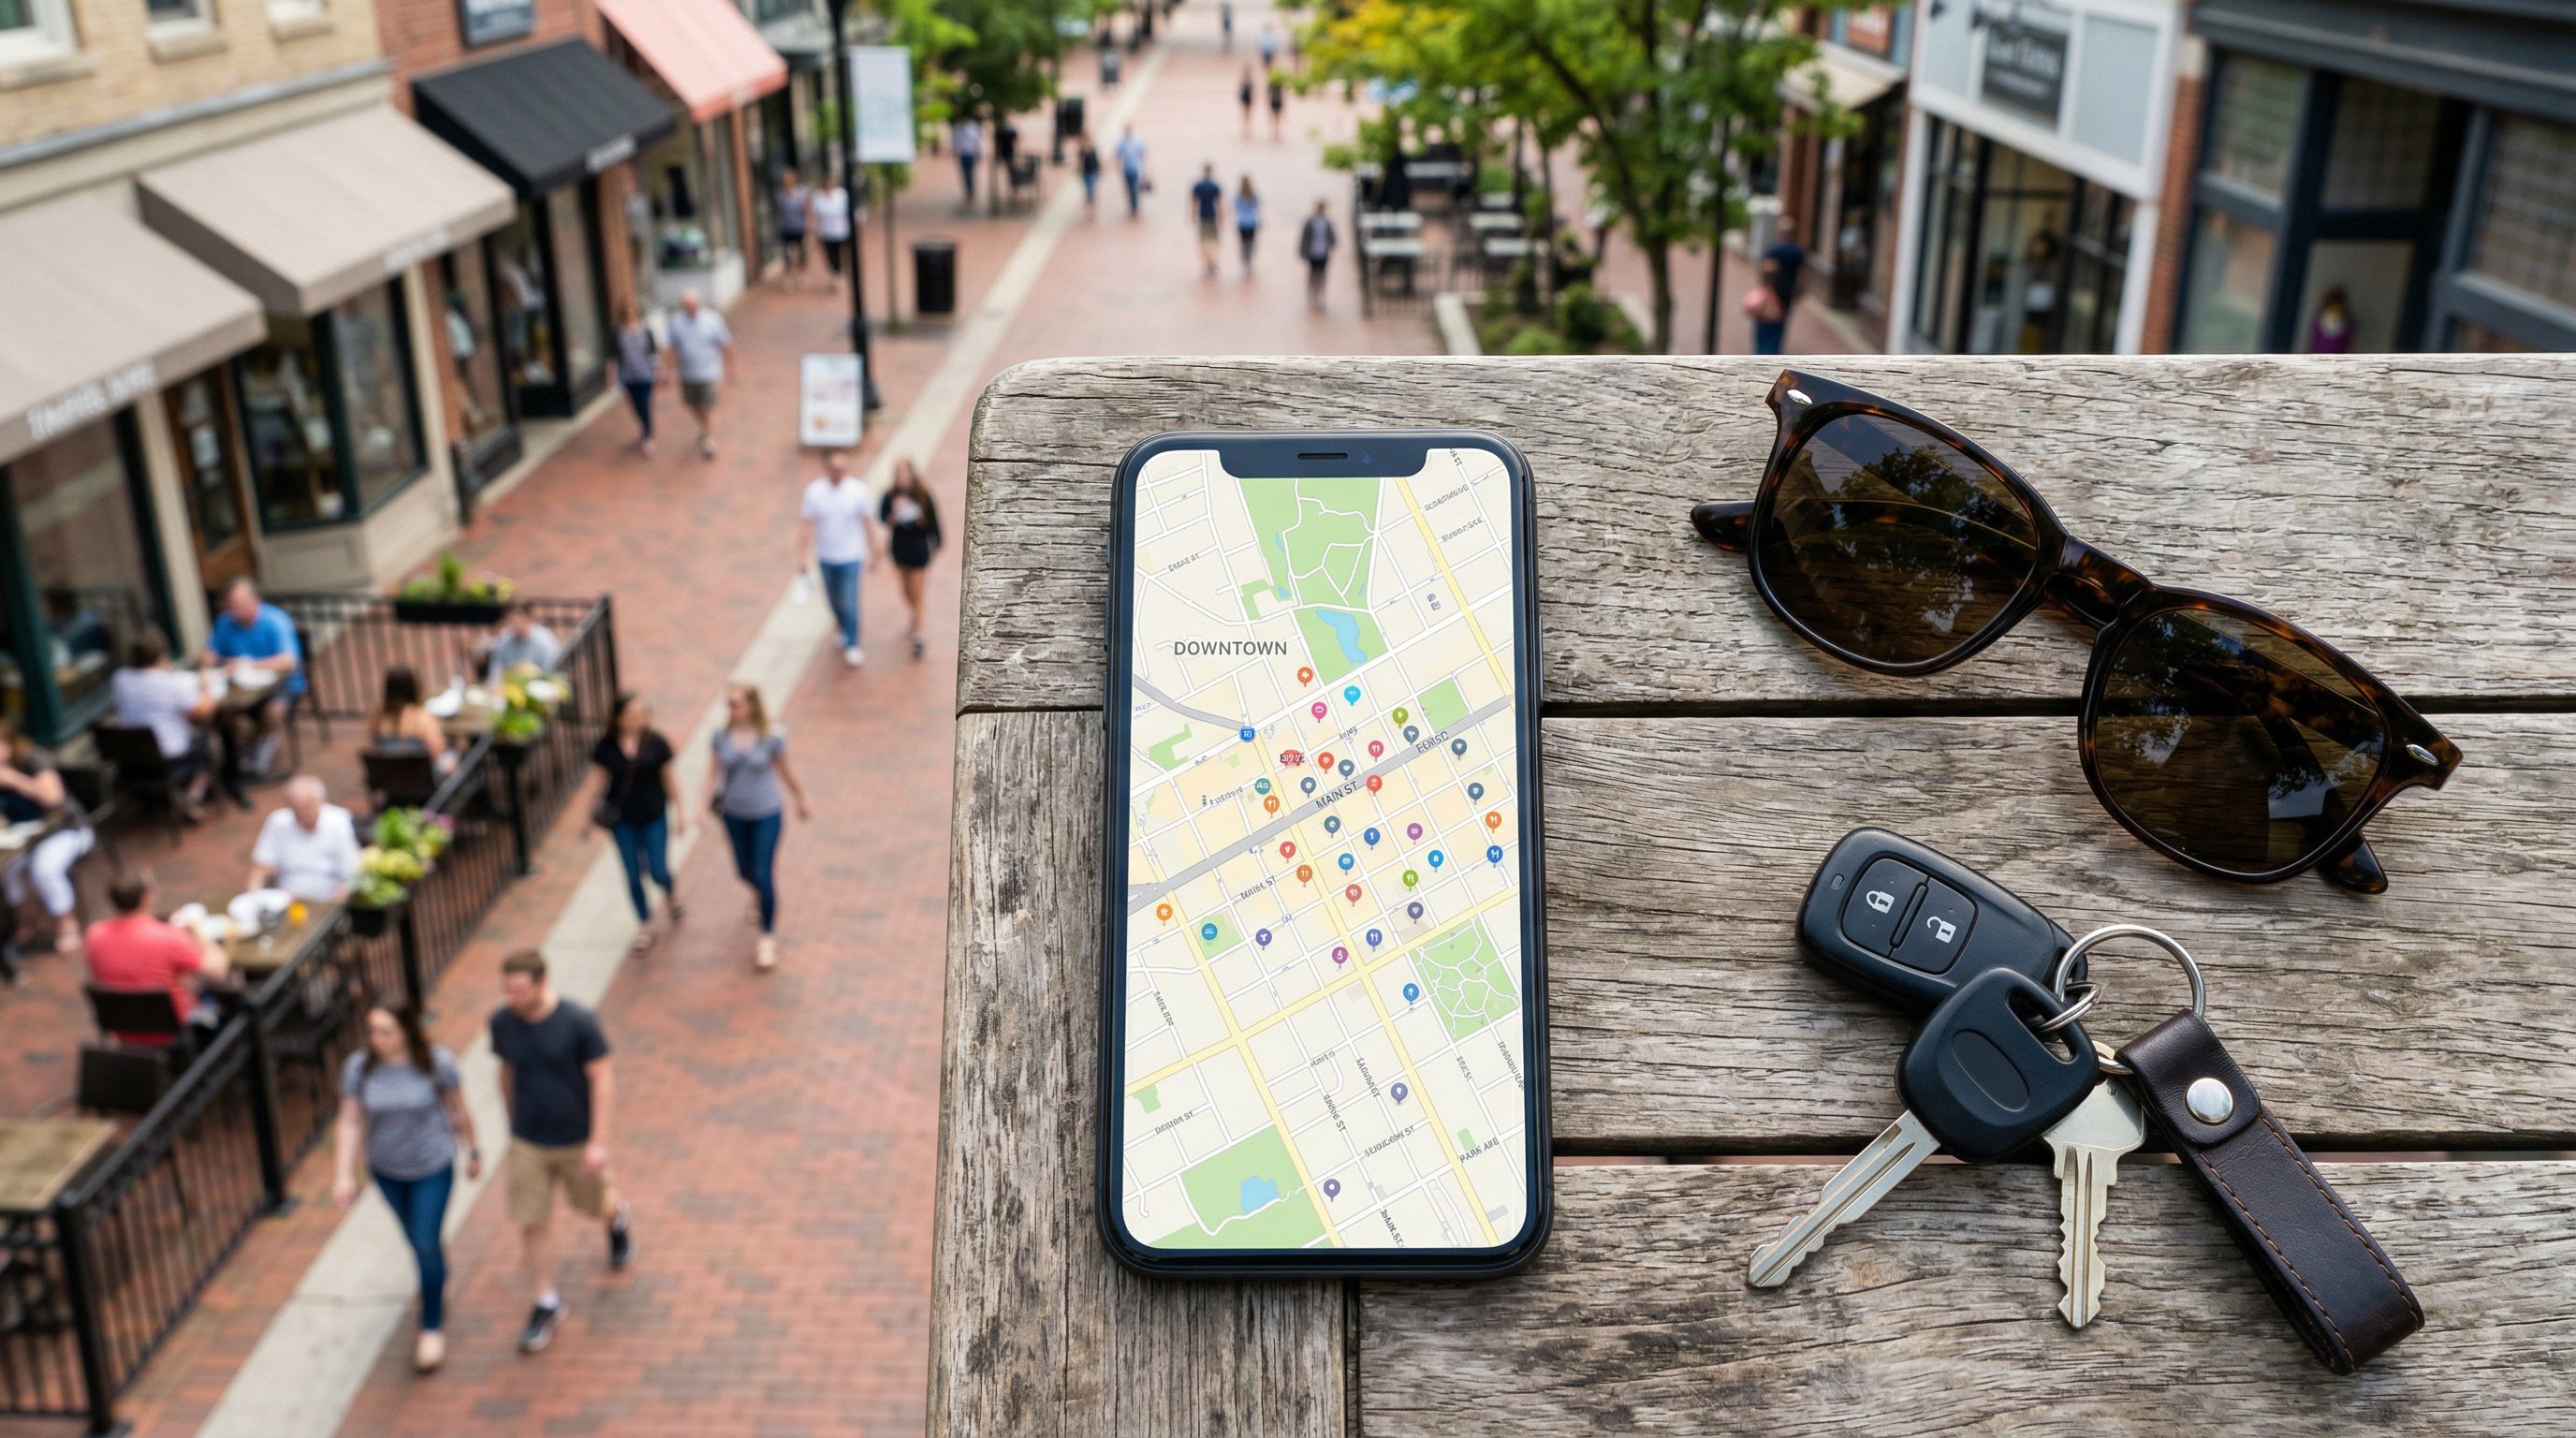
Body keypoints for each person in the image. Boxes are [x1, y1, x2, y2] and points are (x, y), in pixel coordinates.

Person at [490, 950, 631, 1357]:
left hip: (575, 1140)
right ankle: (546, 1300)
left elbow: (602, 1079)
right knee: (532, 1220)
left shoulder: (578, 1023)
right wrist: (510, 1122)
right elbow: (506, 1071)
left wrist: (599, 1141)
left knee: (594, 1206)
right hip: (528, 1140)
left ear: (541, 982)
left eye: (519, 989)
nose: (512, 997)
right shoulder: (503, 1023)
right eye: (507, 990)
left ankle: (617, 1216)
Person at [333, 1001, 476, 1373]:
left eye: (386, 1031)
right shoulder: (359, 1068)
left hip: (432, 1165)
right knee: (418, 1238)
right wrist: (343, 1174)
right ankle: (437, 1275)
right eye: (373, 1030)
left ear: (407, 1031)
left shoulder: (436, 1062)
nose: (377, 1039)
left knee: (426, 1244)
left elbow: (457, 1108)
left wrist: (472, 1149)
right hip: (386, 1170)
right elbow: (350, 1120)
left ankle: (430, 1327)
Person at [710, 685, 809, 972]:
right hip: (734, 814)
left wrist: (801, 799)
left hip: (767, 813)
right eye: (728, 704)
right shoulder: (721, 736)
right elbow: (712, 773)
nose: (732, 709)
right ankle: (759, 894)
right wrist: (701, 810)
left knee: (764, 871)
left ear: (752, 706)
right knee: (744, 870)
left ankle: (766, 936)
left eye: (736, 703)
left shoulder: (772, 736)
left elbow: (786, 771)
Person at [84, 870, 226, 1046]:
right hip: (174, 1035)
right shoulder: (168, 937)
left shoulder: (94, 936)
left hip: (123, 1031)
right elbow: (219, 972)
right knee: (217, 991)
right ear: (146, 898)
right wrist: (199, 933)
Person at [589, 693, 684, 953]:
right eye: (632, 714)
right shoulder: (606, 747)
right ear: (618, 718)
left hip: (654, 816)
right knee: (632, 874)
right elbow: (599, 782)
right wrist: (589, 819)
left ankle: (670, 892)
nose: (638, 719)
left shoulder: (656, 743)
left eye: (643, 713)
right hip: (623, 821)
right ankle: (645, 923)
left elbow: (669, 778)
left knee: (657, 870)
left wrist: (680, 813)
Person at [0, 718, 92, 955]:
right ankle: (30, 921)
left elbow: (53, 799)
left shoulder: (33, 759)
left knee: (44, 868)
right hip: (23, 837)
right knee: (8, 870)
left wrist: (14, 779)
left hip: (65, 829)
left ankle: (67, 924)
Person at [201, 579, 303, 781]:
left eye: (240, 606)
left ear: (255, 600)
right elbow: (207, 655)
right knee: (218, 712)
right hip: (240, 689)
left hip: (282, 685)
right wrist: (215, 665)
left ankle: (260, 750)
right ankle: (240, 754)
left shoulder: (275, 620)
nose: (235, 612)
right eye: (231, 607)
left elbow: (288, 661)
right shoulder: (225, 622)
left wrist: (247, 664)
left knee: (273, 711)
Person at [111, 626, 216, 814]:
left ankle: (165, 797)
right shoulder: (172, 682)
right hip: (171, 759)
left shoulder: (120, 679)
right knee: (212, 744)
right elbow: (203, 711)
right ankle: (192, 795)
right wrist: (206, 685)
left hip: (131, 760)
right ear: (161, 655)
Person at [800, 449, 880, 668]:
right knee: (833, 599)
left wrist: (875, 549)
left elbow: (867, 522)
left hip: (851, 555)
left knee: (849, 599)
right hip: (826, 556)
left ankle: (853, 642)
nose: (838, 473)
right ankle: (843, 627)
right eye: (835, 469)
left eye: (842, 468)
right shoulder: (815, 492)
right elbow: (807, 526)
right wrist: (802, 556)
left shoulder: (857, 491)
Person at [249, 775, 361, 903]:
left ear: (322, 802)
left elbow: (352, 875)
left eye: (308, 809)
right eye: (298, 811)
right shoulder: (278, 823)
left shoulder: (339, 822)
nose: (303, 816)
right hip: (286, 900)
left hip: (327, 899)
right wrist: (255, 899)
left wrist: (331, 907)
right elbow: (260, 868)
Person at [880, 459, 944, 657]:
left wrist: (937, 541)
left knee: (918, 590)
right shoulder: (890, 495)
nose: (903, 477)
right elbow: (882, 516)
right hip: (899, 548)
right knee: (905, 590)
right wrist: (893, 517)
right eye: (899, 473)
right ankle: (914, 615)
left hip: (918, 548)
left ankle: (919, 632)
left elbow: (934, 519)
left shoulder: (922, 494)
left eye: (906, 473)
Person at [666, 288, 730, 461]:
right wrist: (669, 371)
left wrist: (731, 367)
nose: (691, 308)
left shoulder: (712, 320)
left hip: (709, 372)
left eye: (693, 304)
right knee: (693, 404)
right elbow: (672, 348)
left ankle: (710, 440)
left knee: (709, 405)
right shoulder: (676, 323)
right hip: (687, 374)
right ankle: (705, 427)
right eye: (687, 305)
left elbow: (725, 343)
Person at [366, 667, 451, 776]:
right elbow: (438, 752)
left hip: (391, 778)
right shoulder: (420, 716)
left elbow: (376, 750)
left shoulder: (378, 718)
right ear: (414, 687)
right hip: (422, 779)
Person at [611, 301, 658, 457]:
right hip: (628, 376)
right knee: (635, 405)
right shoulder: (619, 333)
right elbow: (615, 357)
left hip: (645, 375)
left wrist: (660, 372)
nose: (631, 314)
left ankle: (647, 436)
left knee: (644, 404)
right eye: (628, 312)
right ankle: (644, 427)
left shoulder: (646, 331)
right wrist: (612, 377)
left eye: (633, 311)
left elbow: (653, 354)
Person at [483, 601, 564, 683]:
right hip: (509, 688)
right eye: (510, 619)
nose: (513, 623)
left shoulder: (545, 641)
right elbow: (495, 673)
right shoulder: (503, 641)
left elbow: (552, 671)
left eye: (517, 618)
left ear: (527, 619)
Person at [808, 173, 853, 288]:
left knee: (840, 253)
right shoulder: (819, 198)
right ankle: (835, 275)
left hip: (841, 230)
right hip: (826, 232)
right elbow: (815, 215)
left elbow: (848, 211)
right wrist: (815, 230)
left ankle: (839, 273)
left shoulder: (842, 195)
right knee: (830, 255)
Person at [773, 168, 811, 288]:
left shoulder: (801, 192)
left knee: (801, 252)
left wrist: (809, 225)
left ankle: (802, 275)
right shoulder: (780, 194)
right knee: (786, 254)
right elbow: (778, 211)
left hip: (799, 226)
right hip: (785, 227)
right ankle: (788, 278)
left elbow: (806, 209)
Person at [1745, 258, 1788, 356]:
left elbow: (1750, 307)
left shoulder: (1761, 291)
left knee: (1762, 343)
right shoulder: (1780, 289)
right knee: (1773, 343)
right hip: (1775, 321)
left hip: (1763, 320)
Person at [1297, 200, 1336, 310]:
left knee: (1322, 275)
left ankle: (1320, 296)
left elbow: (1332, 237)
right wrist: (1303, 251)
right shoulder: (1310, 222)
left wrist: (1332, 244)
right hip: (1313, 252)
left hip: (1323, 252)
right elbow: (1304, 238)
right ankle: (1313, 294)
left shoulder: (1327, 222)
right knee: (1313, 274)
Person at [1191, 165, 1224, 277]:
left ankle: (1208, 262)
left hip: (1202, 215)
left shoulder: (1198, 186)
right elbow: (1219, 203)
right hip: (1212, 215)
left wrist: (1193, 215)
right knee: (1214, 240)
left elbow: (1194, 202)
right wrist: (1221, 216)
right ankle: (1212, 260)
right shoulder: (1215, 186)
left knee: (1204, 241)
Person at [2309, 286, 2355, 355]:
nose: (2334, 311)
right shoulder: (2319, 322)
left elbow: (2346, 346)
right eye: (2331, 308)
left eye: (2337, 308)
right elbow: (2314, 343)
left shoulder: (2346, 326)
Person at [952, 117, 985, 208]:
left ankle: (971, 192)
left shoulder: (973, 128)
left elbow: (977, 142)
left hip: (970, 155)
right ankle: (969, 192)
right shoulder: (958, 128)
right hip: (963, 155)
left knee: (969, 173)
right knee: (965, 174)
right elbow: (955, 141)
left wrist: (979, 153)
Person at [1116, 125, 1148, 218]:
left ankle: (1135, 206)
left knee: (1134, 188)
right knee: (1128, 189)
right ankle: (1132, 205)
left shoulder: (1137, 141)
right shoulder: (1122, 142)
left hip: (1136, 169)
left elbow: (1143, 155)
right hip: (1126, 169)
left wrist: (1145, 169)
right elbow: (1118, 155)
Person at [1077, 134, 1103, 210]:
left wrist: (1099, 169)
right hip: (1085, 172)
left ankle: (1091, 202)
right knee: (1087, 188)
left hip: (1092, 172)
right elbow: (1080, 161)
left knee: (1092, 187)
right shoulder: (1082, 150)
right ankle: (1089, 200)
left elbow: (1096, 160)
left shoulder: (1093, 149)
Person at [1266, 71, 1286, 139]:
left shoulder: (1279, 82)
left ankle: (1276, 130)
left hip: (1277, 101)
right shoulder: (1272, 83)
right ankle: (1275, 130)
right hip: (1274, 101)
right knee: (1275, 116)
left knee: (1277, 117)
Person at [1239, 66, 1257, 139]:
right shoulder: (1244, 80)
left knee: (1248, 112)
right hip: (1245, 98)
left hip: (1248, 98)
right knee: (1245, 112)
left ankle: (1248, 126)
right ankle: (1246, 126)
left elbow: (1253, 91)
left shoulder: (1250, 81)